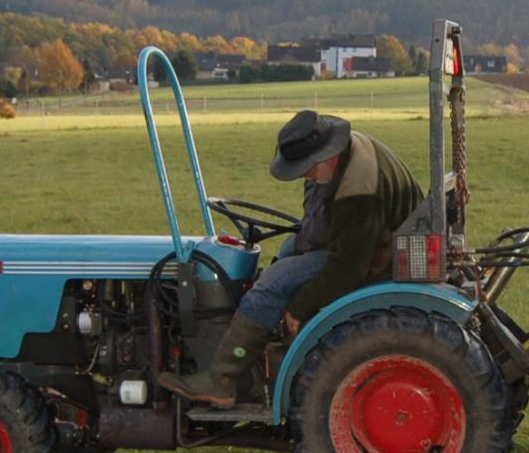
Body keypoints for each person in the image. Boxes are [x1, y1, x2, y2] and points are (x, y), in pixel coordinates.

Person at [161, 109, 420, 407]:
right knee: (286, 252)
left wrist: (300, 307)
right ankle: (264, 342)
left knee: (273, 281)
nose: (304, 176)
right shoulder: (347, 154)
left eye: (306, 170)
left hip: (378, 259)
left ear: (325, 157)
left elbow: (349, 267)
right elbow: (322, 226)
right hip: (375, 243)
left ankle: (222, 380)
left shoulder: (358, 191)